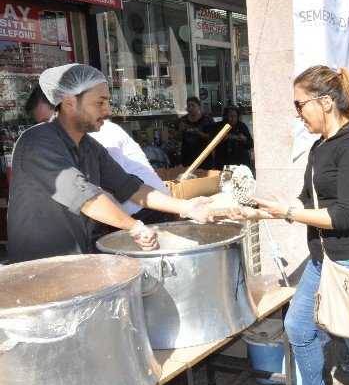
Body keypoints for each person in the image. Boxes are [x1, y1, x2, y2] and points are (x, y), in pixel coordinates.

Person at [230, 65, 349, 385]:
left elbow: (347, 216)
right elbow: (306, 202)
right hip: (323, 258)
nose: (297, 114)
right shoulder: (321, 147)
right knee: (298, 326)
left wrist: (289, 211)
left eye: (300, 105)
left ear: (326, 102)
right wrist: (262, 209)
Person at [8, 64, 214, 263]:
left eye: (108, 101)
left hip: (75, 258)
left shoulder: (89, 146)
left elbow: (130, 187)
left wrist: (186, 206)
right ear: (69, 102)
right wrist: (134, 227)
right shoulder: (37, 142)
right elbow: (87, 199)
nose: (108, 110)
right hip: (40, 265)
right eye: (100, 102)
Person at [23, 85, 172, 225]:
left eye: (48, 121)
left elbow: (117, 184)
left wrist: (133, 226)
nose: (46, 129)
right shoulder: (62, 140)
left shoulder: (98, 134)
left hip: (147, 210)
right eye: (41, 124)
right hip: (129, 213)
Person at [212, 105, 254, 170]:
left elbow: (250, 144)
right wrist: (221, 139)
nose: (233, 118)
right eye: (231, 116)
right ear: (226, 116)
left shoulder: (241, 126)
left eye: (235, 116)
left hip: (241, 162)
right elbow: (211, 143)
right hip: (223, 162)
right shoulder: (218, 126)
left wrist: (244, 139)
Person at [177, 96, 214, 168]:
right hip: (187, 157)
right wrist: (181, 131)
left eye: (193, 106)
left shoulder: (207, 120)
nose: (190, 108)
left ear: (199, 107)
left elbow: (213, 137)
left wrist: (200, 134)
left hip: (204, 157)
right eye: (189, 106)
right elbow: (176, 138)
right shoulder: (182, 120)